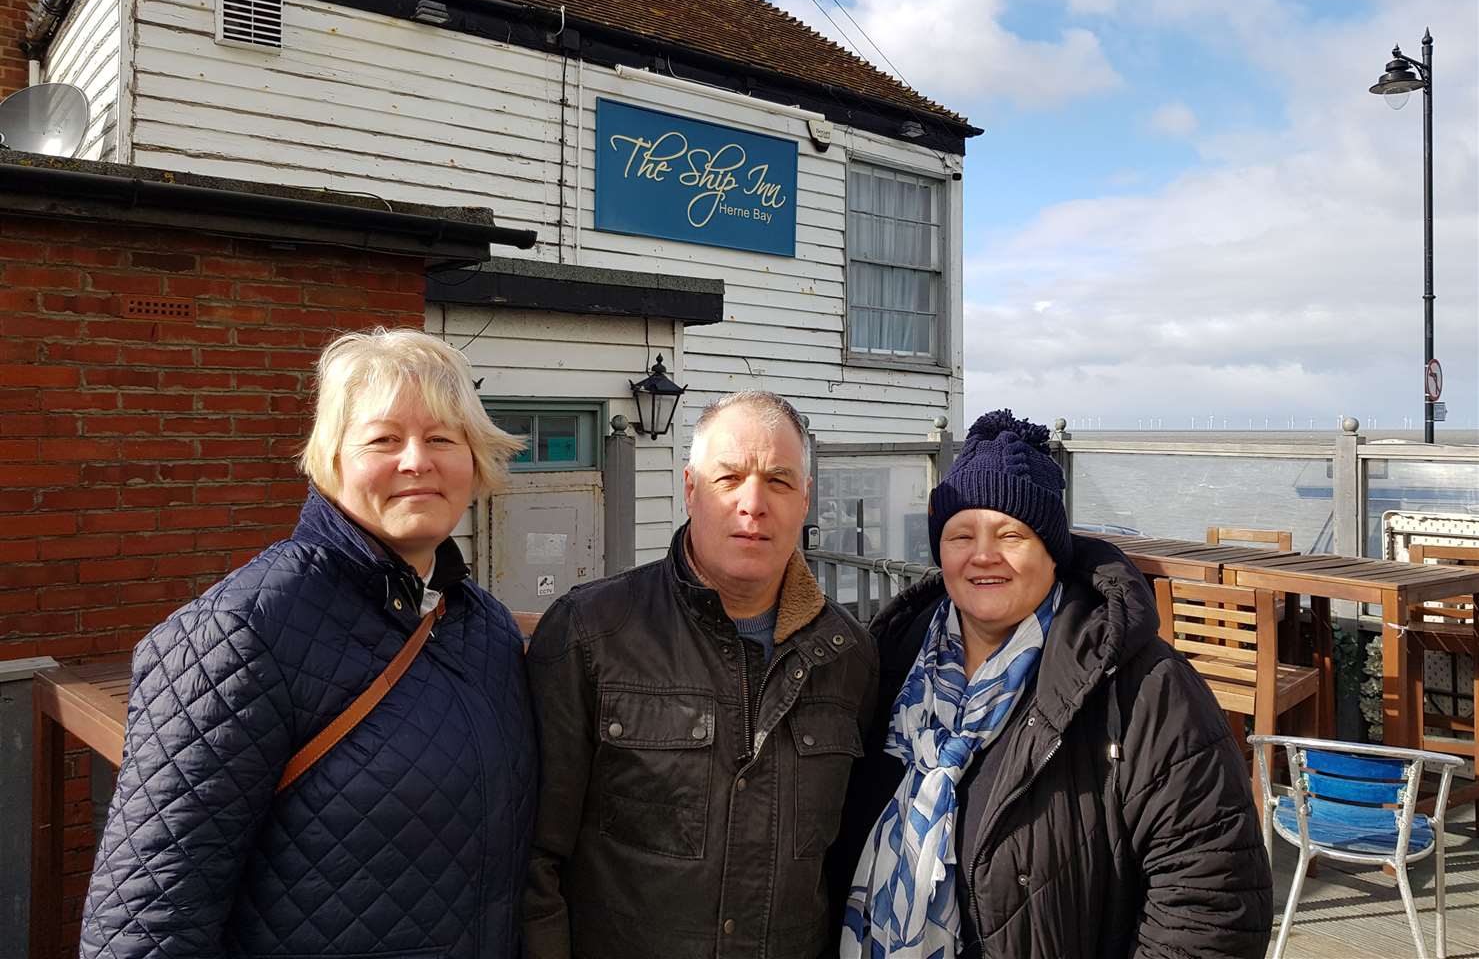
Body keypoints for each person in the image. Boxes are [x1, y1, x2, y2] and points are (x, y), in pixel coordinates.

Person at [79, 327, 537, 959]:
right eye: (383, 439)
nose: (415, 461)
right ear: (333, 460)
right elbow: (148, 916)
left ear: (475, 457)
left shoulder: (481, 625)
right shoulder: (243, 629)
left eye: (440, 438)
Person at [834, 410, 1272, 959]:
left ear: (1052, 551)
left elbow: (1213, 897)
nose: (983, 555)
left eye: (1011, 534)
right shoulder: (887, 663)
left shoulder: (1144, 687)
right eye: (961, 534)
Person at [522, 389, 879, 959]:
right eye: (728, 478)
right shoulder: (591, 634)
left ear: (805, 499)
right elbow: (535, 861)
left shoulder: (848, 655)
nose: (753, 504)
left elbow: (847, 863)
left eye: (779, 482)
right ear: (690, 489)